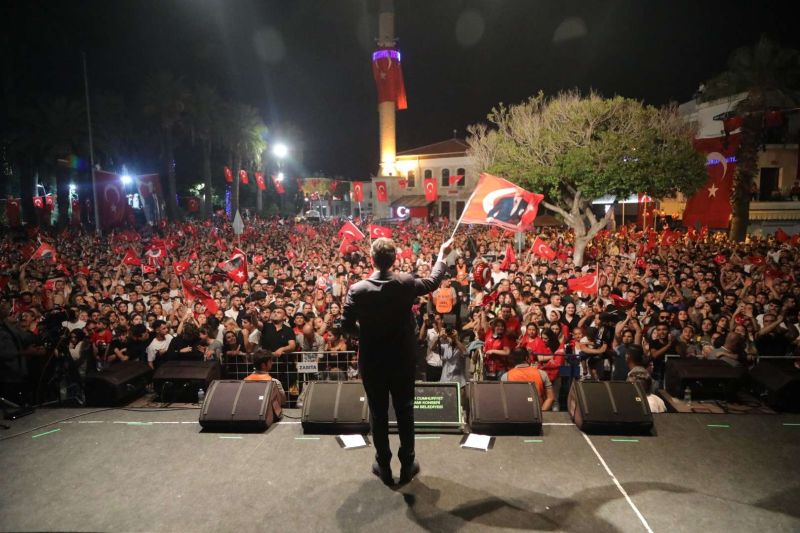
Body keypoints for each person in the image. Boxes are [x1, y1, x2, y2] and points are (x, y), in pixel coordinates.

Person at [342, 236, 453, 486]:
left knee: (378, 414)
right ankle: (407, 464)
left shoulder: (357, 290)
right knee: (405, 411)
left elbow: (346, 327)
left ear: (371, 259)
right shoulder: (405, 283)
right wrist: (442, 255)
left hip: (372, 360)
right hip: (402, 359)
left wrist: (368, 334)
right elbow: (433, 281)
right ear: (394, 260)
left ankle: (383, 464)